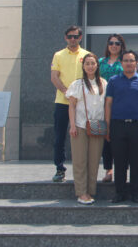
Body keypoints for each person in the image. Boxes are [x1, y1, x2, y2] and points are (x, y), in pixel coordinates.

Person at [105, 50, 138, 203]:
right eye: (126, 60)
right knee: (119, 161)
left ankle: (136, 192)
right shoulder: (113, 81)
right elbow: (108, 104)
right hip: (117, 124)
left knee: (137, 161)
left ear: (136, 63)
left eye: (132, 60)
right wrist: (107, 125)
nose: (129, 63)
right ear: (121, 63)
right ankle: (120, 192)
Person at [65, 53, 107, 205]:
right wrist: (73, 125)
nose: (90, 66)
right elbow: (71, 106)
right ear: (83, 66)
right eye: (87, 63)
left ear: (97, 65)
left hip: (97, 126)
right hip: (80, 125)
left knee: (94, 160)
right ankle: (81, 192)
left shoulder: (103, 83)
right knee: (80, 160)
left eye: (93, 63)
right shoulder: (77, 84)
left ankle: (91, 190)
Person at [50, 25, 88, 182]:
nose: (73, 39)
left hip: (81, 103)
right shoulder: (58, 55)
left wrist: (78, 96)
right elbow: (54, 77)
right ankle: (59, 169)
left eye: (76, 36)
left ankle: (83, 169)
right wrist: (67, 93)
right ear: (66, 38)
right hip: (62, 102)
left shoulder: (87, 55)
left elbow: (90, 76)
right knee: (59, 137)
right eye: (70, 36)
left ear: (80, 37)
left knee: (83, 136)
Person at [98, 34, 126, 183]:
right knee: (106, 137)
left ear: (122, 46)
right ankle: (108, 169)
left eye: (117, 43)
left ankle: (121, 169)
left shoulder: (125, 61)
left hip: (120, 104)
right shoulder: (100, 62)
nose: (114, 46)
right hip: (101, 104)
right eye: (111, 43)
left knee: (120, 138)